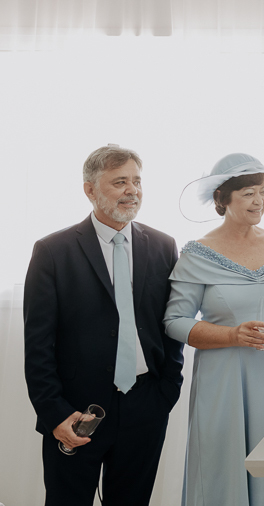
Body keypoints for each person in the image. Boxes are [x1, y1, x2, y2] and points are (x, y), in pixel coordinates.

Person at [23, 145, 184, 505]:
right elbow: (37, 346)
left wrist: (166, 392)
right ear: (90, 190)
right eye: (120, 182)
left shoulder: (163, 246)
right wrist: (55, 413)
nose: (132, 191)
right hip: (77, 411)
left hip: (146, 405)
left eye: (137, 182)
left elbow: (170, 325)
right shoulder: (52, 251)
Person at [163, 153, 264, 506]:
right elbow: (175, 322)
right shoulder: (198, 253)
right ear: (222, 200)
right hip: (223, 383)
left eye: (263, 191)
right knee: (221, 474)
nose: (259, 201)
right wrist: (232, 335)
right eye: (248, 194)